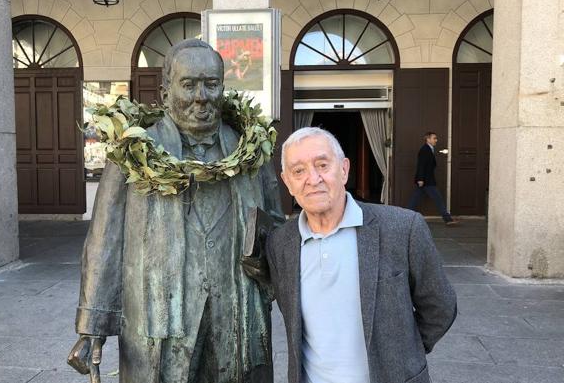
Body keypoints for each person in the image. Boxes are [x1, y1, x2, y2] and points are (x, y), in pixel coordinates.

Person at [67, 39, 283, 383]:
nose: (201, 96)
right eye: (189, 84)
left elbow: (277, 229)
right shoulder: (133, 153)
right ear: (166, 92)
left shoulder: (252, 152)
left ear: (223, 89)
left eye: (211, 84)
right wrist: (92, 325)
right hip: (158, 319)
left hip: (237, 313)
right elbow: (104, 242)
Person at [265, 127, 457, 383]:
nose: (312, 179)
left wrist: (401, 354)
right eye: (298, 171)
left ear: (344, 169)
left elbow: (440, 307)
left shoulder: (402, 228)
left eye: (322, 165)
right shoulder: (280, 244)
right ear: (287, 182)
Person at [407, 132, 457, 225]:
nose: (436, 140)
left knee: (414, 200)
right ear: (428, 139)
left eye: (436, 138)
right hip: (427, 181)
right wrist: (420, 179)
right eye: (434, 138)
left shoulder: (430, 149)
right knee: (438, 199)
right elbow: (421, 165)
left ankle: (404, 217)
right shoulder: (424, 150)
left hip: (426, 180)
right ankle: (448, 219)